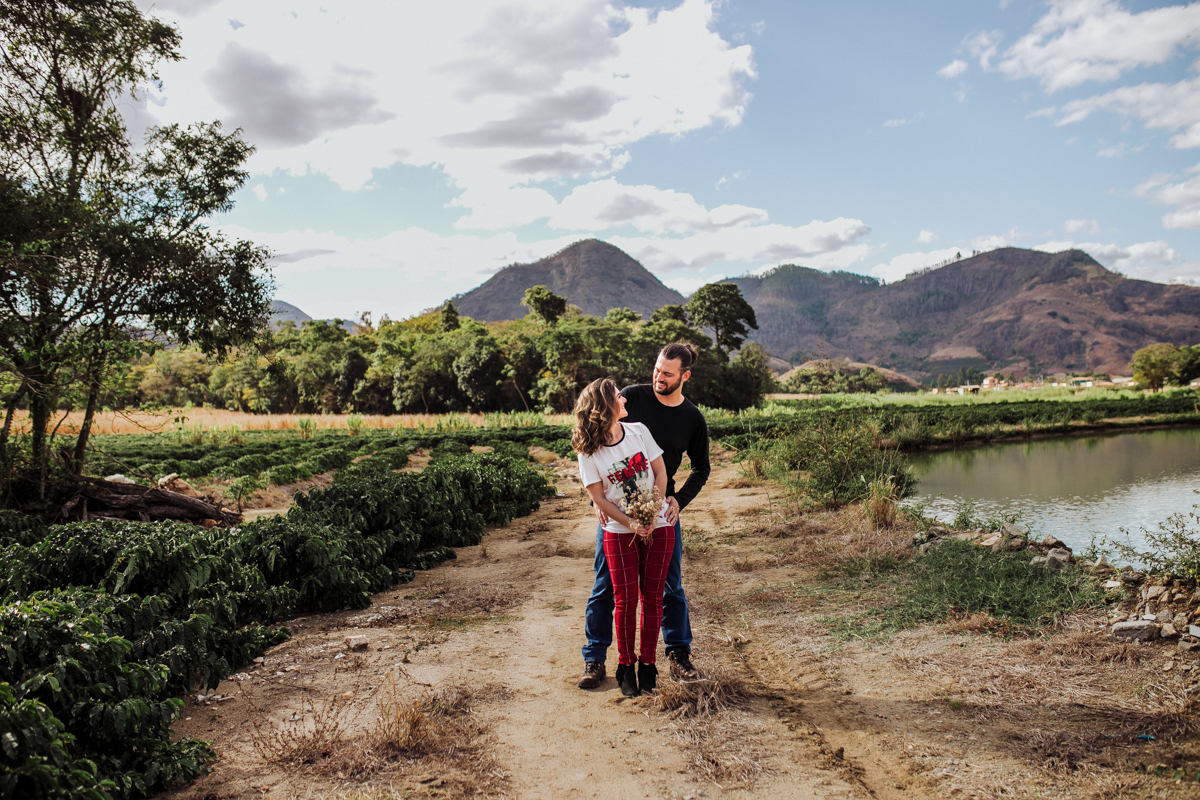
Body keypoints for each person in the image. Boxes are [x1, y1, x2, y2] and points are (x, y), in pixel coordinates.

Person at [578, 342, 710, 690]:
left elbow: (701, 468)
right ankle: (594, 657)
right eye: (656, 369)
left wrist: (678, 500)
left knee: (669, 586)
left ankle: (678, 654)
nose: (658, 377)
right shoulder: (633, 396)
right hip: (616, 515)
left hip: (660, 510)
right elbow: (595, 423)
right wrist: (597, 501)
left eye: (667, 373)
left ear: (685, 376)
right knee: (607, 587)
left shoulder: (693, 418)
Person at [572, 378, 675, 697]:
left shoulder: (639, 431)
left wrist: (651, 513)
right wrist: (631, 522)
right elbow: (599, 499)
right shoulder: (588, 451)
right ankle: (625, 665)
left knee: (654, 599)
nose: (625, 400)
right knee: (625, 601)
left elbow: (661, 473)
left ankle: (648, 665)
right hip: (618, 532)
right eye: (619, 396)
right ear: (605, 407)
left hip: (658, 527)